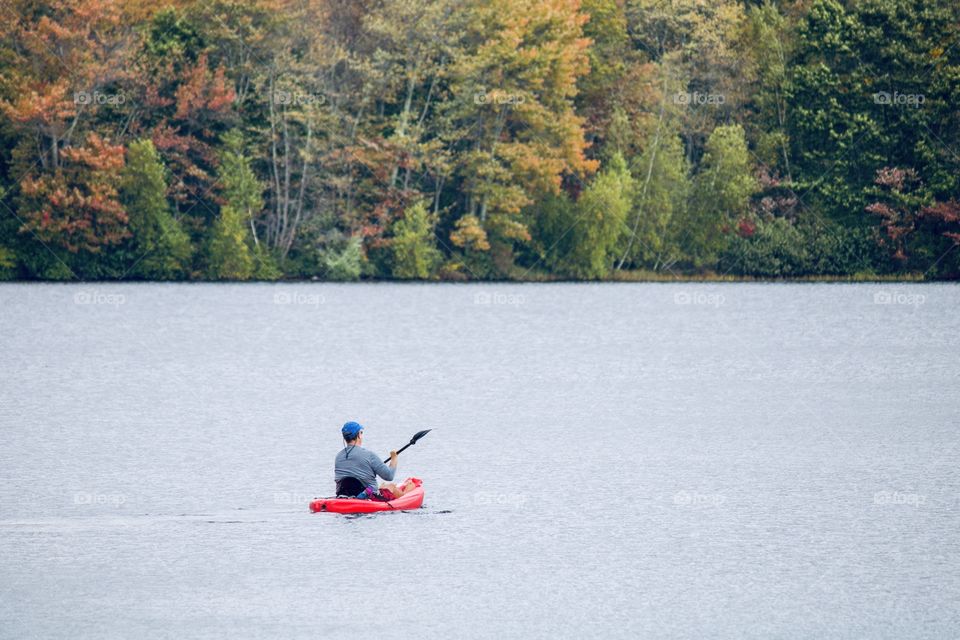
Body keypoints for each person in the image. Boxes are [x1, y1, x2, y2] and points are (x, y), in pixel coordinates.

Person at [334, 421, 416, 500]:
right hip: (367, 496)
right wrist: (394, 459)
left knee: (383, 486)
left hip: (343, 494)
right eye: (361, 433)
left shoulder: (338, 457)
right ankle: (407, 493)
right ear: (358, 435)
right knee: (392, 486)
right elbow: (389, 476)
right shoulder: (369, 455)